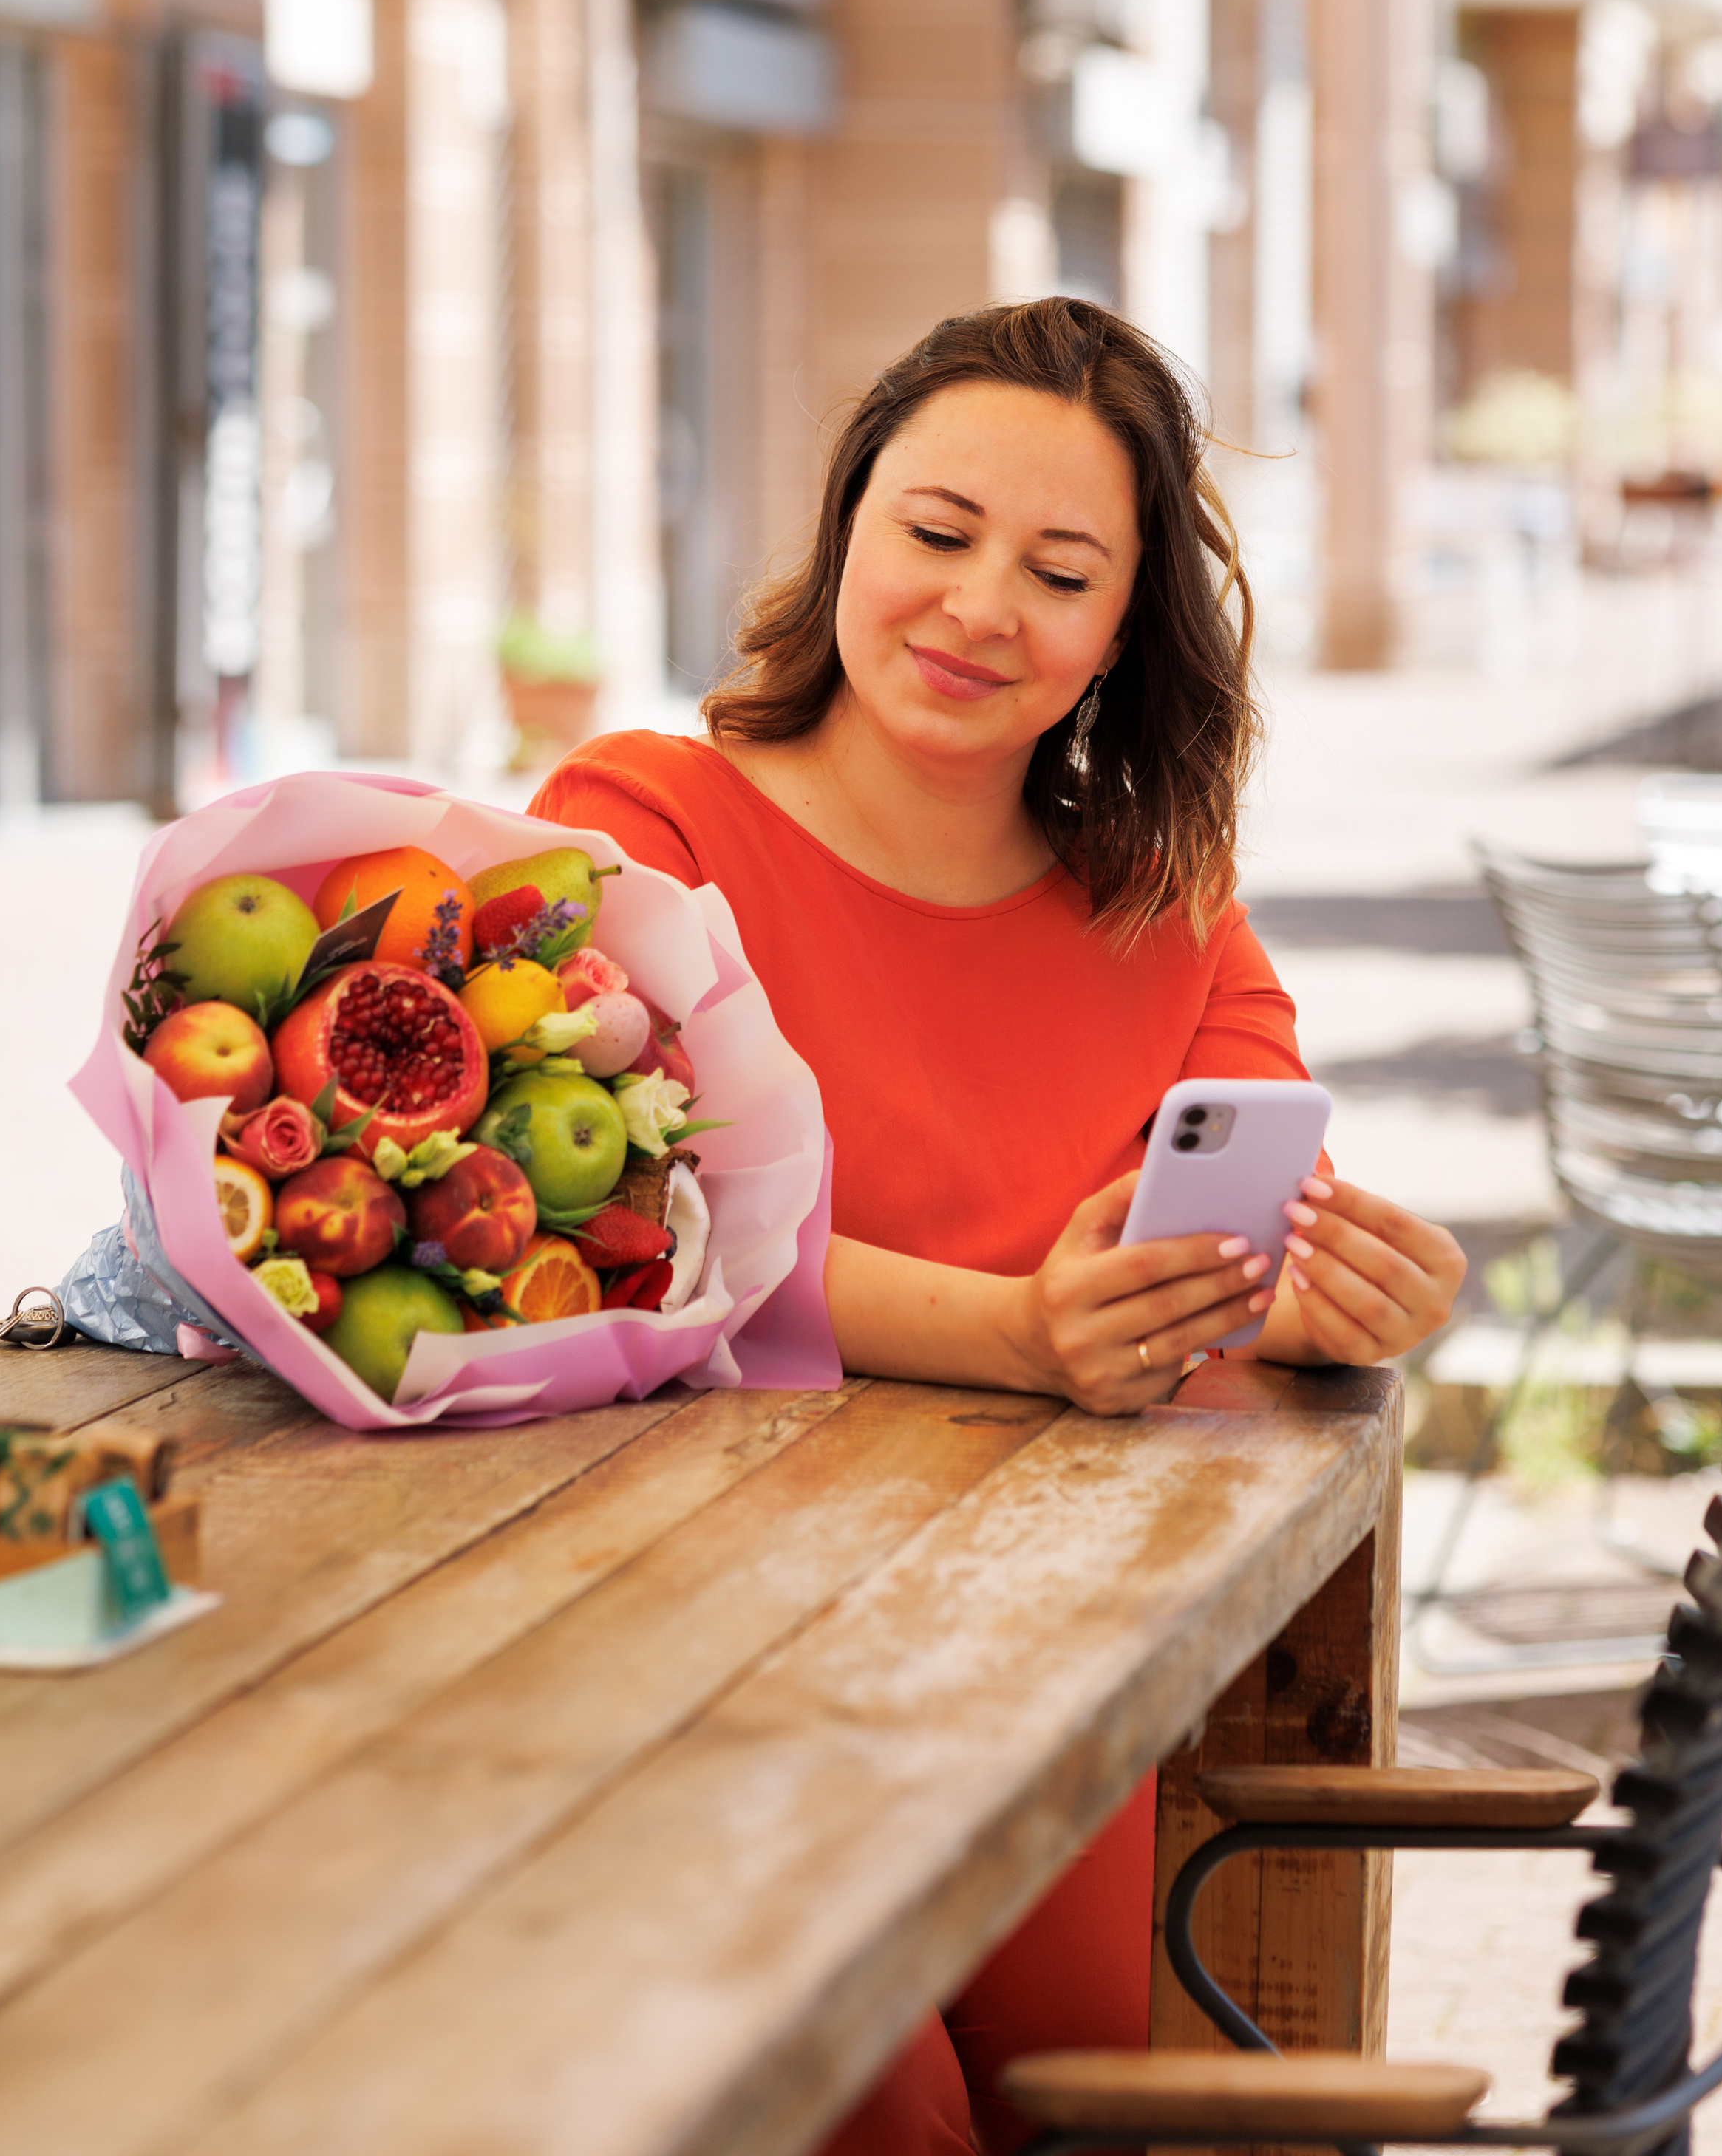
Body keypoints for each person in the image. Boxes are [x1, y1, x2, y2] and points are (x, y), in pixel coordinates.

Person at [530, 297, 1464, 2156]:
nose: (974, 610)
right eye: (935, 534)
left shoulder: (1163, 906)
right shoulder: (645, 822)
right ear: (848, 528)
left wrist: (1325, 1306)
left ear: (1123, 629)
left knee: (1148, 2091)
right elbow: (633, 1232)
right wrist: (1013, 1333)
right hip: (682, 1677)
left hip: (1045, 1684)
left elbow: (1233, 1251)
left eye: (1057, 570)